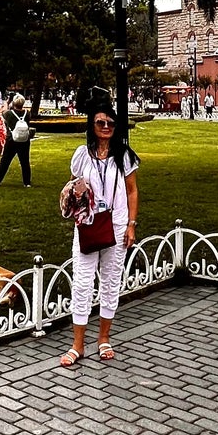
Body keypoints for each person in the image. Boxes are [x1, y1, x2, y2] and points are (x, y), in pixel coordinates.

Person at [59, 104, 139, 367]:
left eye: (110, 124)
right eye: (100, 123)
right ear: (91, 126)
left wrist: (131, 224)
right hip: (88, 225)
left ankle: (104, 338)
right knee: (82, 283)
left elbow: (131, 191)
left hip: (116, 225)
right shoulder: (82, 155)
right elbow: (73, 186)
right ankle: (77, 345)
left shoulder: (124, 156)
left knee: (110, 282)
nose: (106, 128)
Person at [0, 95, 33, 187]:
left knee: (5, 160)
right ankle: (27, 182)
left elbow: (3, 113)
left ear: (13, 103)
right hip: (24, 140)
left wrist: (7, 103)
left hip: (12, 140)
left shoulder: (9, 114)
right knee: (25, 161)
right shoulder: (27, 113)